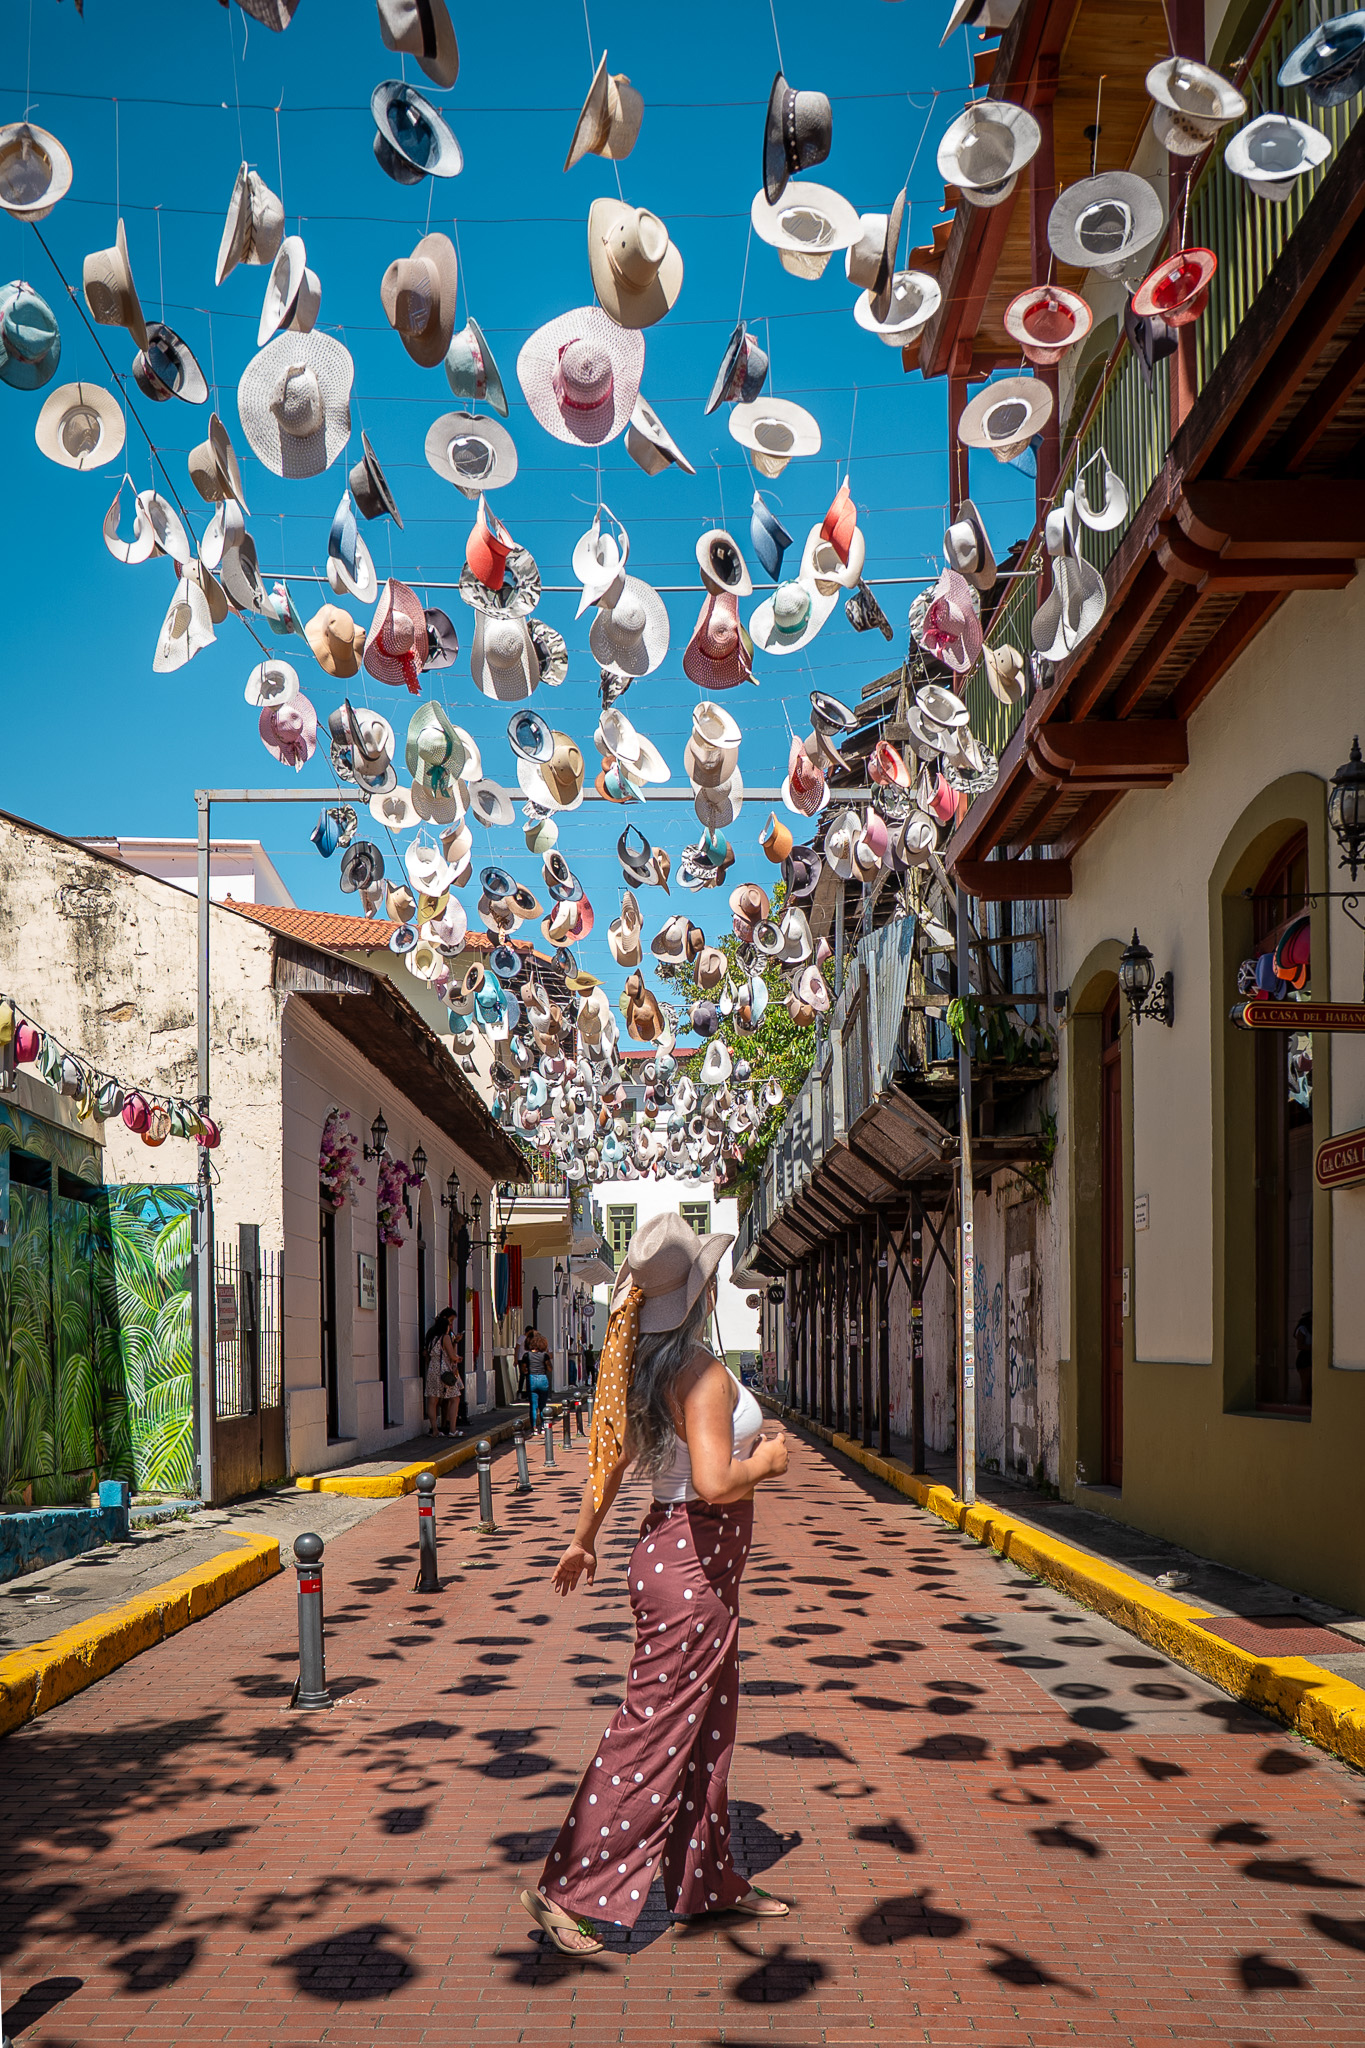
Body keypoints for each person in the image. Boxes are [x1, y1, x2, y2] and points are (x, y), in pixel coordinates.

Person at [518, 1211, 791, 1958]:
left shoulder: (643, 1364)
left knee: (705, 1732)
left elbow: (605, 1461)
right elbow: (713, 1481)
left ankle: (707, 1886)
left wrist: (583, 1538)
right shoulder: (696, 1373)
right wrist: (765, 1462)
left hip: (681, 1563)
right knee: (651, 1735)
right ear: (700, 1293)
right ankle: (570, 1891)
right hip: (692, 1568)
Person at [422, 1308, 461, 1437]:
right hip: (444, 1372)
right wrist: (457, 1358)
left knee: (432, 1401)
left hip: (432, 1370)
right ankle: (452, 1429)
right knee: (454, 1398)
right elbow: (452, 1355)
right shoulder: (445, 1338)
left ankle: (434, 1430)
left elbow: (426, 1354)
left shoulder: (431, 1337)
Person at [525, 1329, 551, 1428]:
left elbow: (524, 1370)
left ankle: (534, 1428)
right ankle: (544, 1426)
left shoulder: (527, 1355)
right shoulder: (544, 1355)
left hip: (531, 1379)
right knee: (542, 1405)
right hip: (542, 1378)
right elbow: (549, 1368)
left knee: (533, 1406)